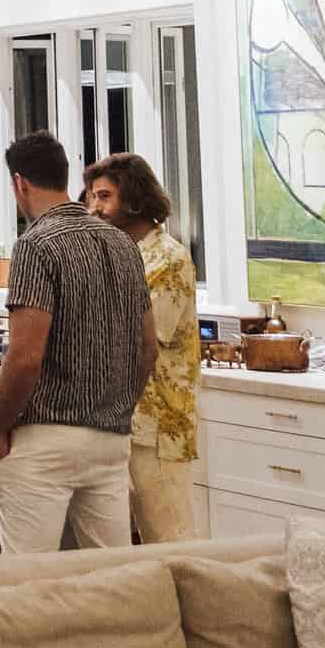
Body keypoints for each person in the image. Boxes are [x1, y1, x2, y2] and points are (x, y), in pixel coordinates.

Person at [0, 132, 157, 553]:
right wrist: (119, 409)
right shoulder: (123, 244)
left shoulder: (35, 245)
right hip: (110, 439)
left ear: (19, 184)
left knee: (27, 582)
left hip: (45, 438)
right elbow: (148, 348)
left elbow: (25, 357)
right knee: (111, 579)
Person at [86, 152, 201, 543]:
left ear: (133, 200)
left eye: (103, 197)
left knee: (169, 537)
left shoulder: (168, 258)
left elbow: (141, 336)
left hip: (159, 424)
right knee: (126, 545)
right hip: (121, 418)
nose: (94, 208)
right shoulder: (120, 254)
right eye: (92, 197)